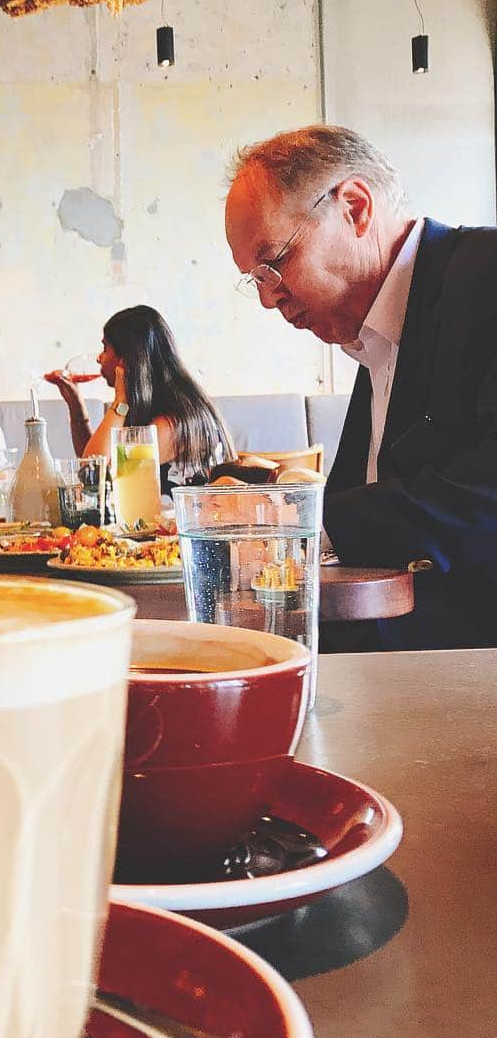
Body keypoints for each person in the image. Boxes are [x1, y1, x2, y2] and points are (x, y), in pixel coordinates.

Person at [224, 123, 497, 650]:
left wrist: (302, 520)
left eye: (273, 264)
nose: (268, 299)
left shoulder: (483, 278)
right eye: (256, 279)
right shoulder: (376, 335)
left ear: (354, 207)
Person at [46, 306, 232, 487]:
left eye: (105, 348)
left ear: (126, 358)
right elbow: (93, 462)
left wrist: (121, 401)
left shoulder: (174, 423)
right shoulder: (162, 405)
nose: (99, 358)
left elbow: (95, 475)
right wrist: (76, 406)